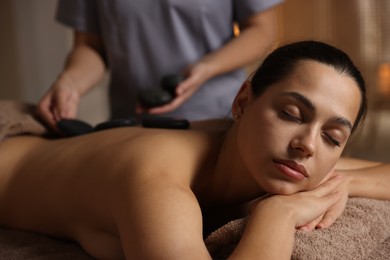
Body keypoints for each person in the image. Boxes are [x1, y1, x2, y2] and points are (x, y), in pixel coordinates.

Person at [1, 41, 389, 259]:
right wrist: (279, 214)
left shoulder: (289, 157)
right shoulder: (156, 179)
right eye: (291, 113)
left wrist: (342, 184)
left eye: (333, 138)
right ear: (242, 102)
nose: (307, 144)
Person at [38, 0, 284, 131]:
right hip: (132, 126)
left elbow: (262, 30)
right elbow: (91, 46)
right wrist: (69, 82)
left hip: (217, 119)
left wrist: (207, 67)